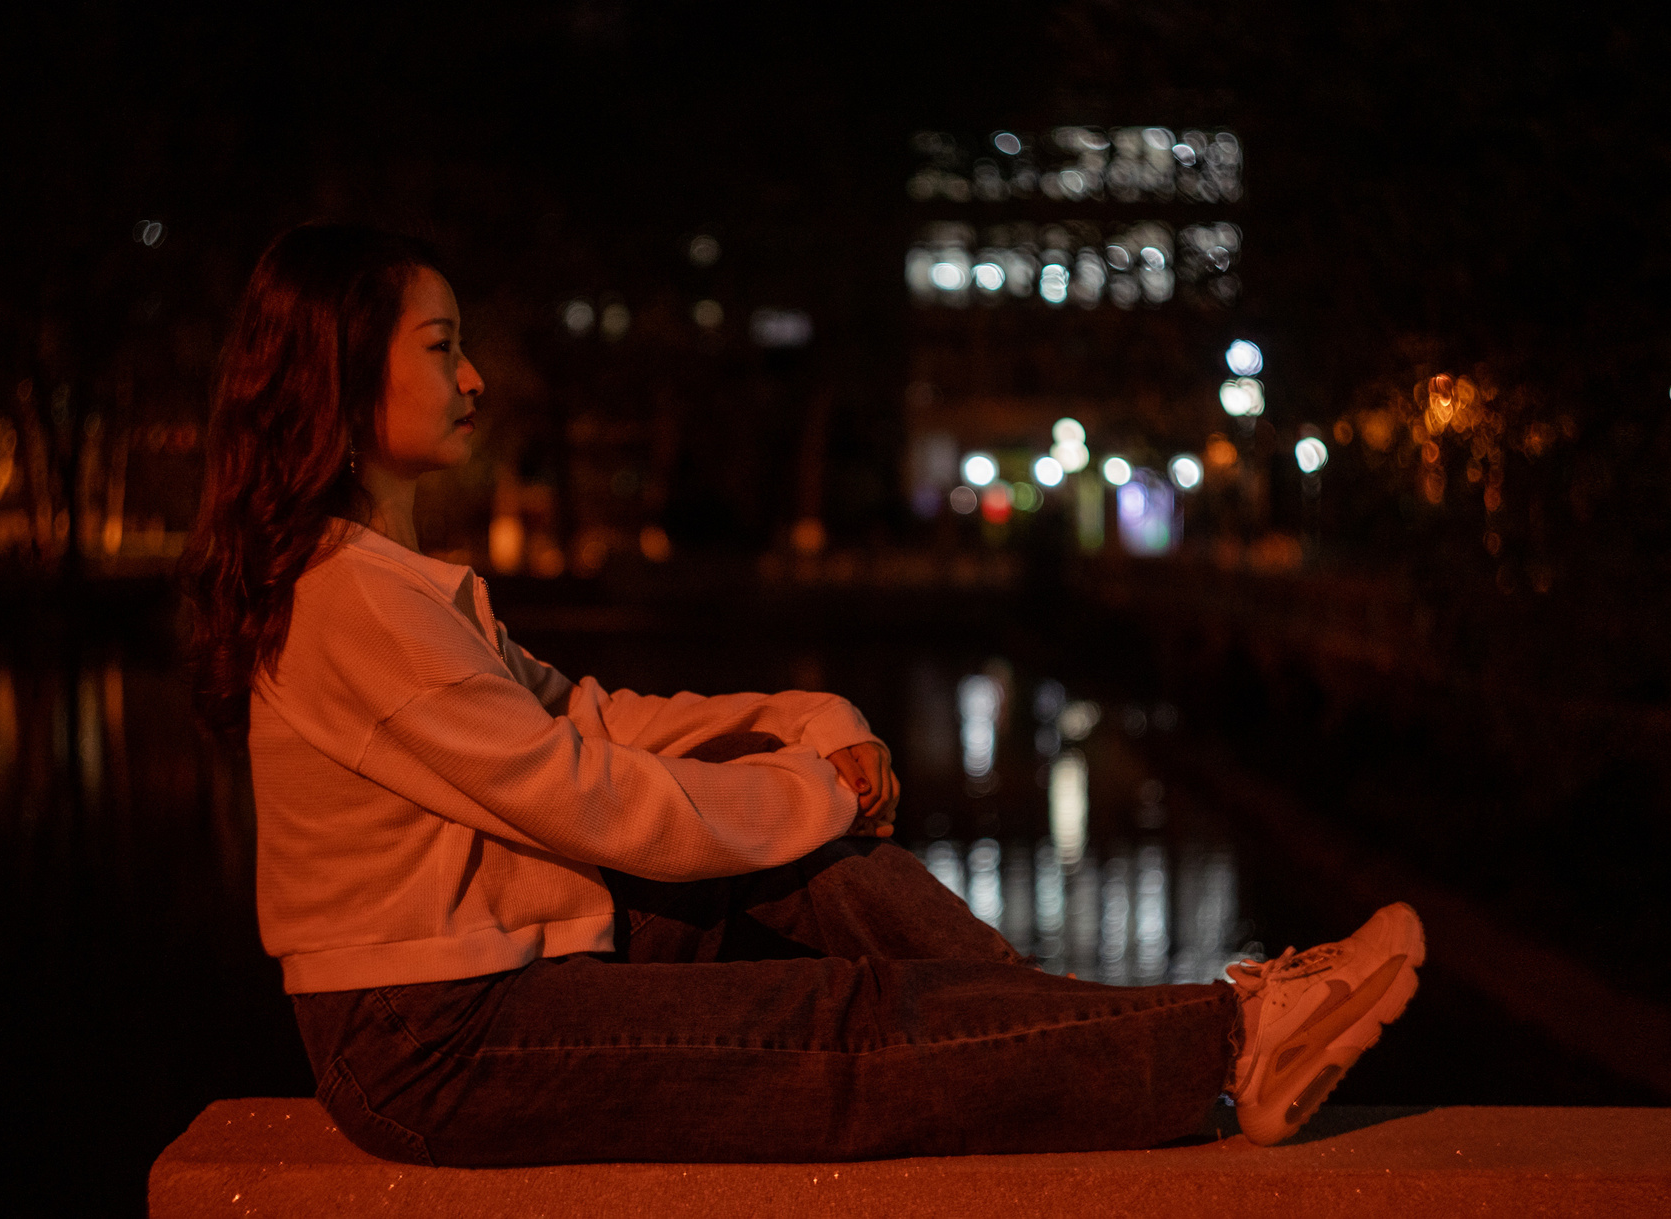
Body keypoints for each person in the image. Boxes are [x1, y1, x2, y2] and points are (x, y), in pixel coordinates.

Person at [179, 222, 1424, 1167]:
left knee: (811, 875)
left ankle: (1125, 1042)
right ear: (346, 379)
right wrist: (806, 790)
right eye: (441, 348)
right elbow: (584, 798)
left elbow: (587, 721)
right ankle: (1218, 1034)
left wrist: (797, 721)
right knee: (829, 1027)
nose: (475, 380)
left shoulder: (391, 583)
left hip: (492, 972)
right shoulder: (346, 603)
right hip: (423, 1039)